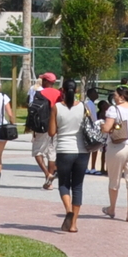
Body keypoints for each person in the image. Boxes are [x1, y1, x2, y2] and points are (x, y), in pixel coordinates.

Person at [102, 84, 128, 220]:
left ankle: (112, 208)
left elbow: (107, 128)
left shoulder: (114, 110)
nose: (114, 97)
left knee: (114, 180)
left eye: (115, 95)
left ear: (121, 97)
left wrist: (102, 125)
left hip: (118, 147)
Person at [50, 83, 89, 231]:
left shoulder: (57, 107)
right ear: (77, 90)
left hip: (64, 150)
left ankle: (68, 211)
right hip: (82, 151)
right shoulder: (83, 107)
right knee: (78, 186)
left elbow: (51, 132)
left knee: (64, 183)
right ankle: (73, 225)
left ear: (63, 91)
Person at [26, 73, 62, 183]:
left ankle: (47, 174)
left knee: (37, 151)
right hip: (56, 126)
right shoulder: (59, 94)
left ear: (46, 81)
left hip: (43, 126)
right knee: (52, 153)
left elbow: (32, 110)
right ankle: (49, 180)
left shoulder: (40, 93)